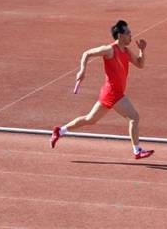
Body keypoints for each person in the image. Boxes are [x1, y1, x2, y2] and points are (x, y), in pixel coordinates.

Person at [50, 20, 154, 160]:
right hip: (113, 93)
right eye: (128, 33)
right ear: (120, 35)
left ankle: (60, 131)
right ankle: (137, 151)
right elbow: (87, 53)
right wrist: (82, 71)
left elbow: (140, 64)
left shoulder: (127, 51)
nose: (131, 35)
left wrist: (142, 50)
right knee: (134, 117)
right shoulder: (109, 50)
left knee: (90, 119)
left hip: (109, 93)